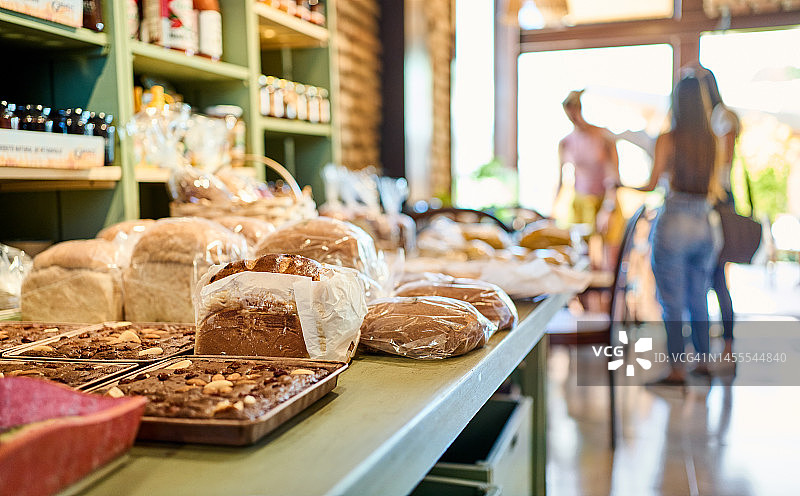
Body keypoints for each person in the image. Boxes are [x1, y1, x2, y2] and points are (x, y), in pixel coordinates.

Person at [638, 74, 723, 385]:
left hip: (675, 220)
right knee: (699, 295)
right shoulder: (713, 139)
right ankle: (704, 362)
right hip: (706, 221)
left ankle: (677, 369)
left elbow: (651, 183)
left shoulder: (668, 138)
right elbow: (716, 185)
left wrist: (620, 184)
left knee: (671, 300)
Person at [693, 64, 741, 359]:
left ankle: (727, 344)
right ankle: (706, 345)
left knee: (717, 275)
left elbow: (722, 163)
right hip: (705, 198)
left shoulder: (724, 117)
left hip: (718, 199)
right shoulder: (706, 119)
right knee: (704, 275)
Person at [558, 90, 624, 271]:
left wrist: (607, 208)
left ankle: (608, 299)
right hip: (581, 202)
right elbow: (561, 180)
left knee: (610, 260)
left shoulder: (603, 137)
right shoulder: (566, 142)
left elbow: (613, 177)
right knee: (581, 259)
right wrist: (551, 213)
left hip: (605, 200)